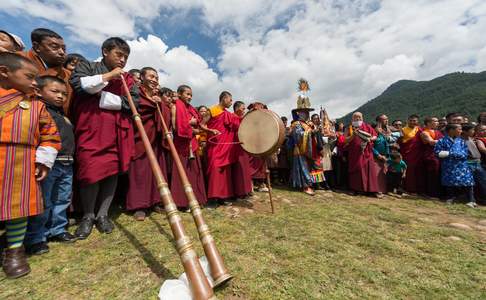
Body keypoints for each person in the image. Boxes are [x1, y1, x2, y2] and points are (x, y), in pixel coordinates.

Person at [70, 37, 139, 239]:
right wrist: (108, 77)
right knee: (90, 171)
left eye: (126, 57)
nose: (123, 60)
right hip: (92, 129)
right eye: (119, 54)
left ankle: (103, 214)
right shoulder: (88, 66)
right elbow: (79, 85)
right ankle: (88, 215)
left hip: (117, 131)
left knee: (113, 171)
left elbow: (132, 103)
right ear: (105, 51)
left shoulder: (128, 80)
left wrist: (99, 96)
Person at [0, 52, 61, 278]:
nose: (35, 82)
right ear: (5, 72)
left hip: (21, 161)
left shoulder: (36, 106)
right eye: (29, 76)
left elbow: (50, 135)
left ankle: (15, 251)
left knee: (18, 209)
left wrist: (43, 160)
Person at [24, 75, 76, 255]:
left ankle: (58, 230)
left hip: (67, 163)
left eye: (64, 93)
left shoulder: (63, 115)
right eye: (55, 91)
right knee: (43, 201)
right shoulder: (38, 111)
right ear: (38, 91)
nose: (61, 96)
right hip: (48, 165)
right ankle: (36, 238)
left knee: (62, 199)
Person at [126, 67, 167, 221]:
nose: (154, 79)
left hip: (155, 139)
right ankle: (139, 206)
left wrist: (160, 104)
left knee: (156, 171)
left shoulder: (157, 96)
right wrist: (151, 102)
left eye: (156, 77)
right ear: (142, 77)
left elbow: (165, 118)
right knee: (140, 171)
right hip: (140, 138)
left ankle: (155, 201)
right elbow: (134, 110)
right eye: (151, 76)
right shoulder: (136, 92)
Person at [206, 92, 252, 203]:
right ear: (224, 98)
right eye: (230, 100)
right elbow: (201, 124)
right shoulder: (212, 110)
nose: (231, 102)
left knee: (224, 173)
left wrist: (251, 114)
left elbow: (238, 122)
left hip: (225, 149)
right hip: (215, 146)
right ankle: (212, 199)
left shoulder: (228, 115)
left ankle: (222, 197)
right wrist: (210, 130)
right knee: (215, 170)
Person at [170, 85, 207, 210]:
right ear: (179, 94)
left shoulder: (191, 109)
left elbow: (199, 125)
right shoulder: (175, 107)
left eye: (191, 95)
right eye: (187, 94)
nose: (190, 97)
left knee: (195, 171)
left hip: (193, 144)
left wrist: (203, 130)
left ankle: (197, 199)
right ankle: (183, 202)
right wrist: (189, 123)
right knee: (182, 172)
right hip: (181, 145)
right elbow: (176, 127)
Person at [22, 28, 72, 116]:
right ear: (37, 47)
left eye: (64, 49)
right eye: (54, 47)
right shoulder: (18, 60)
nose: (61, 52)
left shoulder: (68, 74)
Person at [435, 124, 475, 206]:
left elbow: (465, 152)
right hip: (449, 164)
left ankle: (471, 200)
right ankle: (451, 198)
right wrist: (450, 153)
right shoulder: (441, 141)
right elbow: (437, 152)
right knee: (449, 181)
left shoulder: (461, 141)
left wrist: (458, 154)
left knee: (468, 181)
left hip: (462, 164)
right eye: (459, 129)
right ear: (451, 130)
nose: (461, 131)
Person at [344, 112, 381, 196]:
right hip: (354, 153)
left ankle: (371, 190)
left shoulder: (367, 126)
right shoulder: (349, 128)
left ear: (362, 118)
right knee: (356, 171)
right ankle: (356, 189)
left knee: (369, 171)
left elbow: (375, 136)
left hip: (367, 152)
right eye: (356, 117)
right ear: (352, 119)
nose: (358, 119)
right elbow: (345, 140)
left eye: (359, 117)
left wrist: (370, 139)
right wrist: (353, 135)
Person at [288, 108, 318, 195]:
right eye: (305, 113)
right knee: (302, 167)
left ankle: (301, 184)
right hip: (300, 149)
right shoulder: (297, 124)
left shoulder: (306, 124)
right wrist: (310, 132)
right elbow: (297, 135)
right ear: (300, 114)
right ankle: (306, 186)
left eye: (307, 113)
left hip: (307, 149)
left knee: (306, 167)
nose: (307, 115)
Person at [232, 101, 253, 198]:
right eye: (243, 108)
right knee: (239, 169)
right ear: (236, 109)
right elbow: (237, 127)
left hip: (243, 146)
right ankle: (240, 192)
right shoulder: (232, 117)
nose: (244, 110)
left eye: (245, 109)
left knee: (245, 169)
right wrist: (249, 113)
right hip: (235, 146)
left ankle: (247, 190)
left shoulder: (242, 118)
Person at [419, 116, 443, 198]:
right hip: (430, 155)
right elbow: (431, 142)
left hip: (439, 155)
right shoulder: (424, 132)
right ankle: (431, 193)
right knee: (432, 174)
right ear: (428, 123)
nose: (437, 123)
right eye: (435, 121)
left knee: (438, 174)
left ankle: (438, 192)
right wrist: (446, 141)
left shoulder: (438, 132)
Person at [462, 123, 486, 207]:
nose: (473, 131)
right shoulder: (461, 141)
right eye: (472, 130)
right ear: (464, 132)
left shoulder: (471, 139)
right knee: (471, 183)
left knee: (482, 181)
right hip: (469, 163)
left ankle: (482, 199)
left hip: (477, 162)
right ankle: (472, 200)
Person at [399, 114, 423, 194]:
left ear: (417, 121)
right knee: (409, 171)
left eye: (414, 121)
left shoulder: (419, 129)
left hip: (418, 153)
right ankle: (408, 188)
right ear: (407, 121)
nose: (412, 122)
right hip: (407, 153)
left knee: (418, 171)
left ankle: (418, 189)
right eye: (411, 120)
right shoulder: (403, 130)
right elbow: (400, 142)